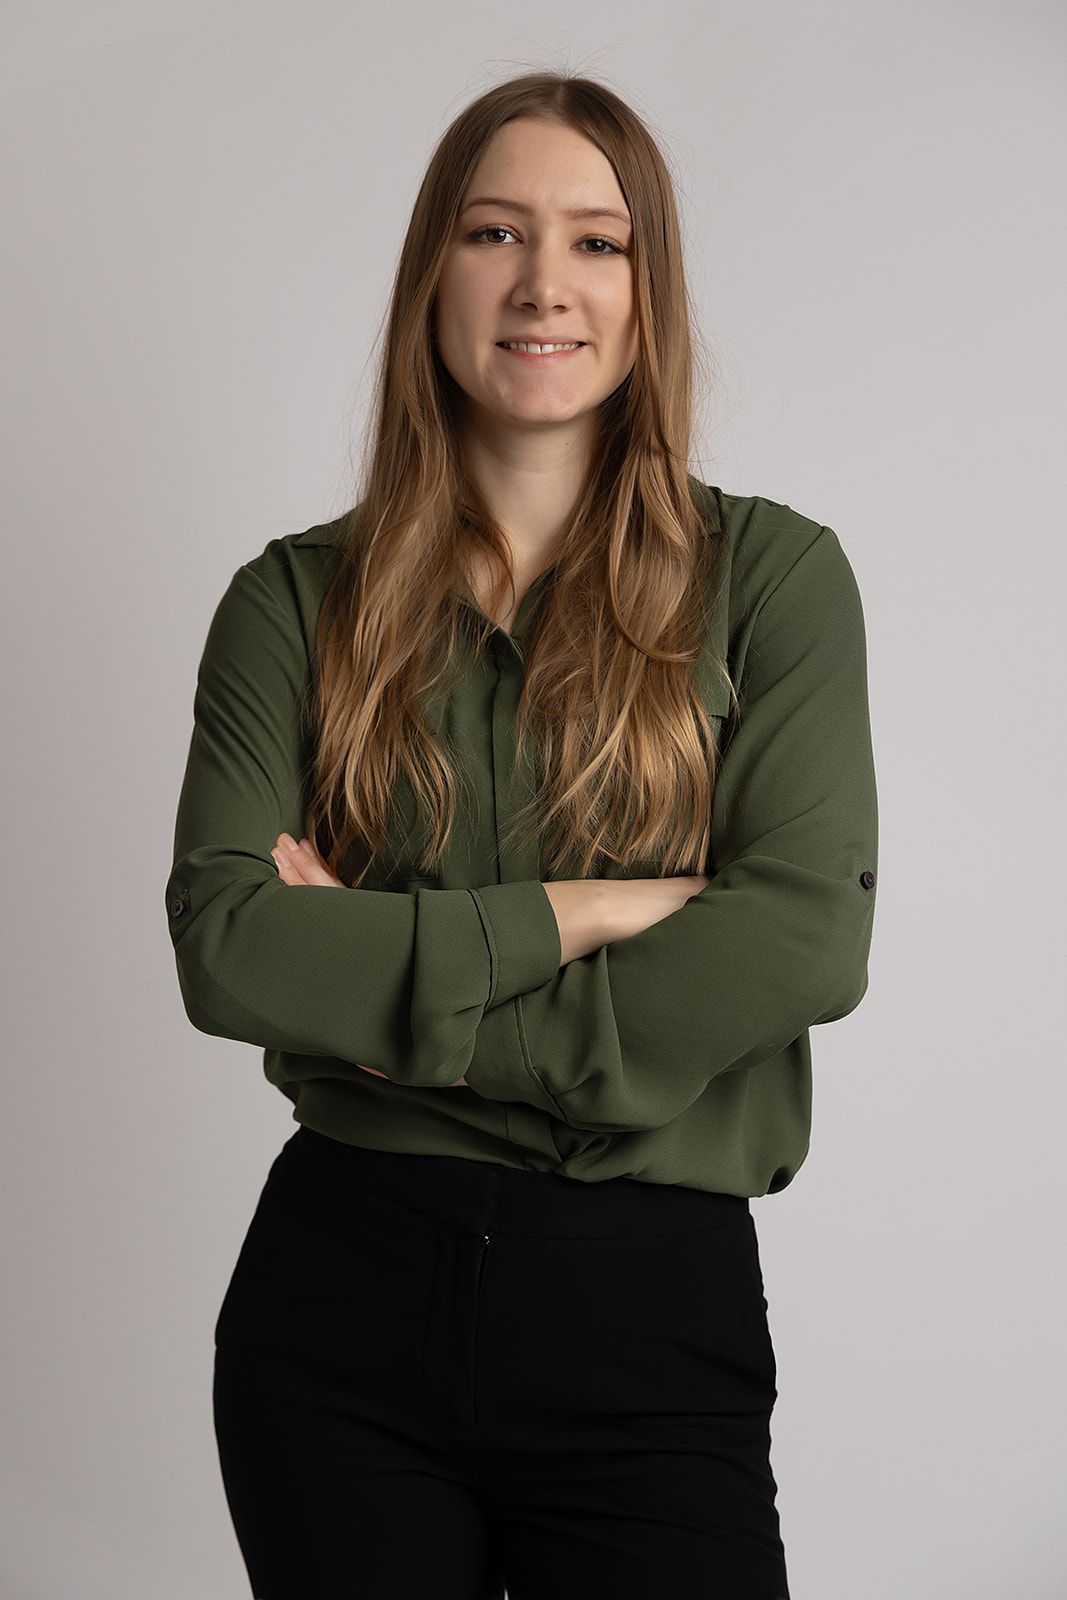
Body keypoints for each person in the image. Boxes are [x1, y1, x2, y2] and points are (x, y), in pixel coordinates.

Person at [164, 70, 878, 1600]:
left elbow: (804, 936)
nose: (544, 283)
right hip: (338, 1314)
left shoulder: (776, 581)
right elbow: (232, 952)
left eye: (598, 243)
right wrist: (580, 911)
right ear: (436, 271)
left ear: (648, 291)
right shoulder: (290, 604)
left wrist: (392, 1019)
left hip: (648, 1301)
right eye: (496, 232)